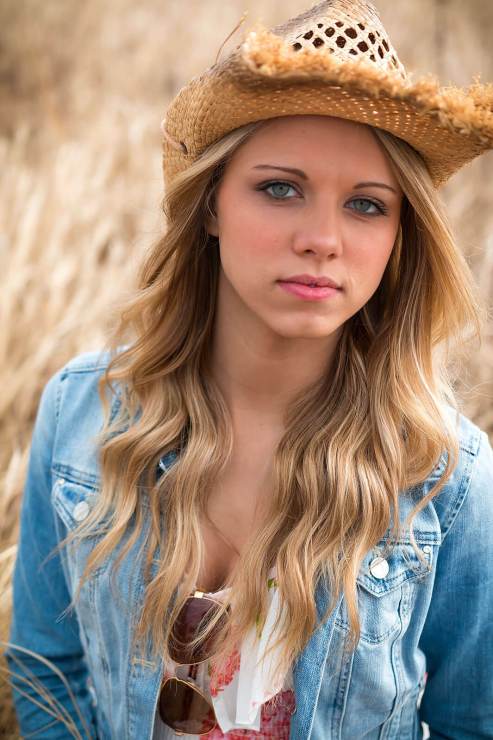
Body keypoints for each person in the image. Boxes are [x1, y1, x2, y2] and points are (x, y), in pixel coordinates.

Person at [5, 0, 493, 738]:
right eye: (278, 188)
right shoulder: (82, 413)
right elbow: (48, 674)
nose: (322, 239)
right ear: (210, 205)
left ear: (400, 237)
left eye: (366, 205)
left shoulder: (448, 482)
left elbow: (470, 721)